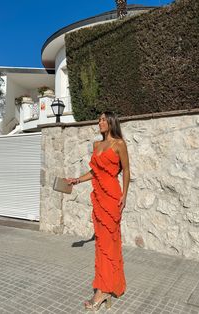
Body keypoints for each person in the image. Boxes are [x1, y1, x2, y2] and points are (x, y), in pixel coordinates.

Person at [67, 111, 130, 311]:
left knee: (109, 244)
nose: (99, 122)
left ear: (111, 122)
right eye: (99, 119)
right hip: (99, 197)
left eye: (103, 119)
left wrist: (125, 196)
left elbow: (127, 170)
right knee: (101, 244)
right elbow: (95, 172)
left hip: (112, 197)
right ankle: (103, 289)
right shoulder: (96, 145)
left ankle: (103, 291)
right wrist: (76, 180)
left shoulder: (119, 144)